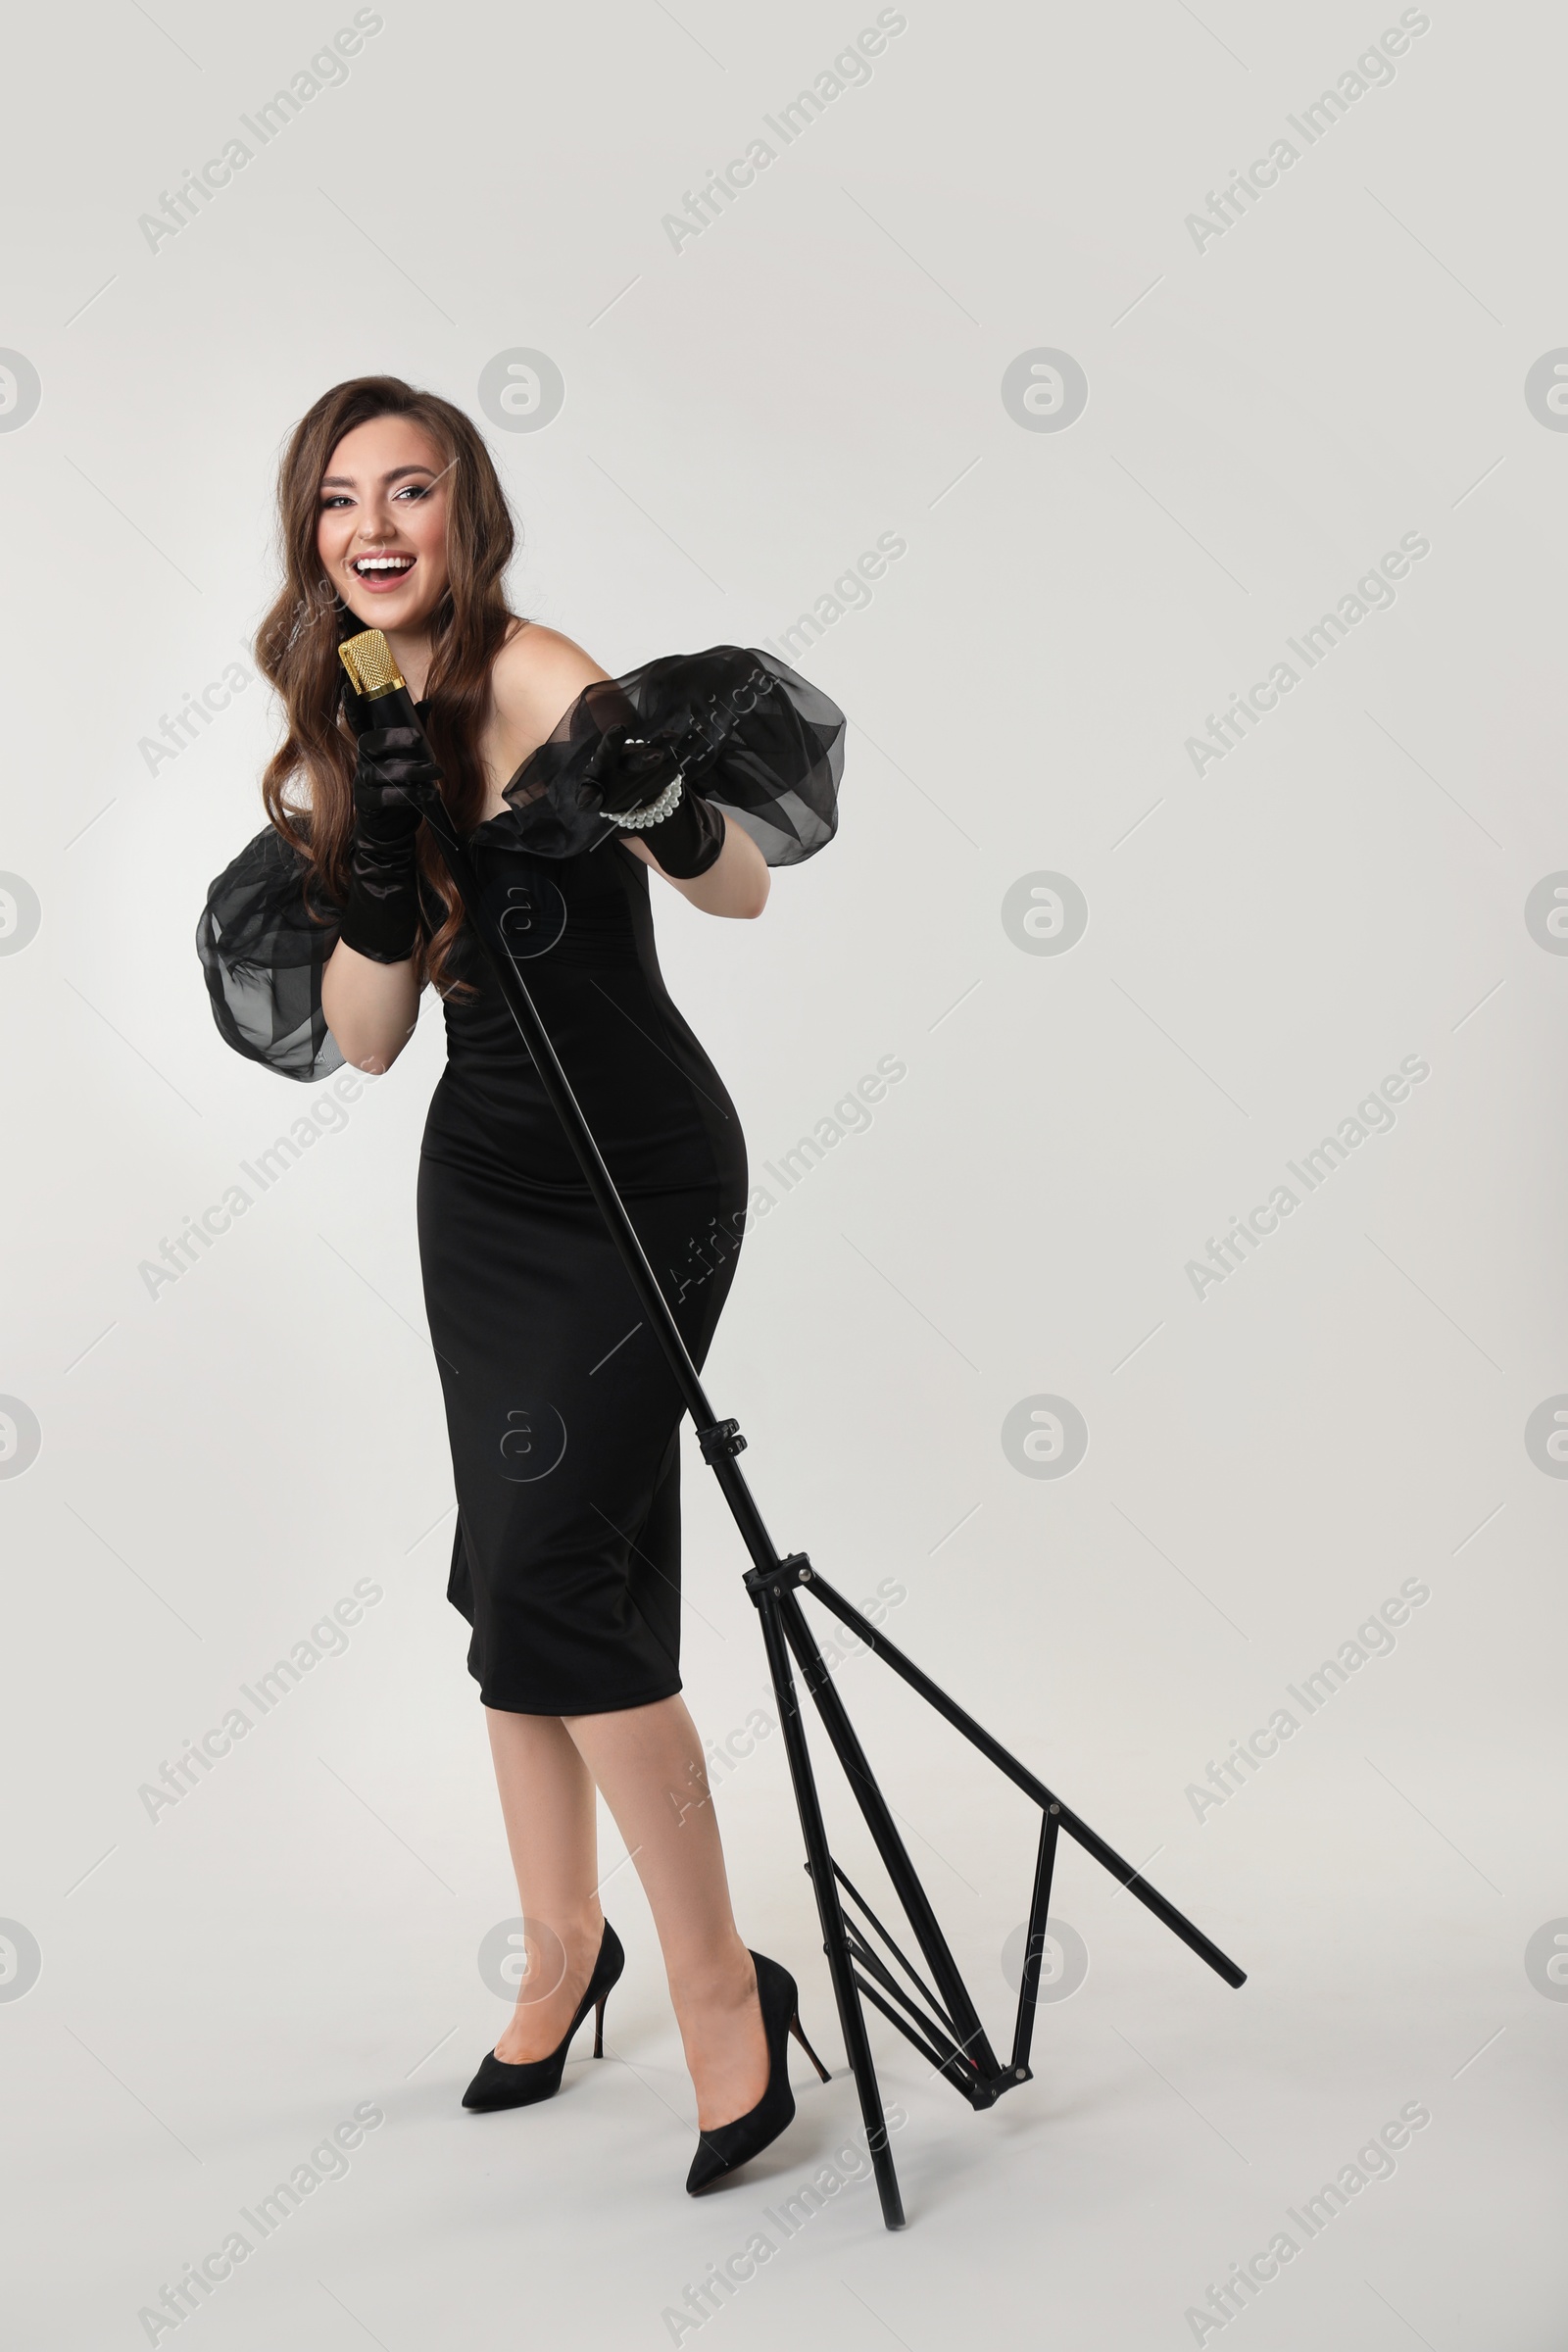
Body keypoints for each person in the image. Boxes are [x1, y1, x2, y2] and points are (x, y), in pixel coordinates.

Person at [197, 375, 844, 2191]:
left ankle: (726, 1996)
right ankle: (565, 1948)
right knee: (520, 1567)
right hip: (484, 1192)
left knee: (561, 1570)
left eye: (412, 490)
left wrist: (653, 791)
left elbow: (737, 897)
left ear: (467, 518)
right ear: (311, 537)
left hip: (644, 1178)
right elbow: (367, 1037)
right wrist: (386, 885)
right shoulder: (349, 725)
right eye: (339, 499)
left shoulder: (546, 668)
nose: (374, 524)